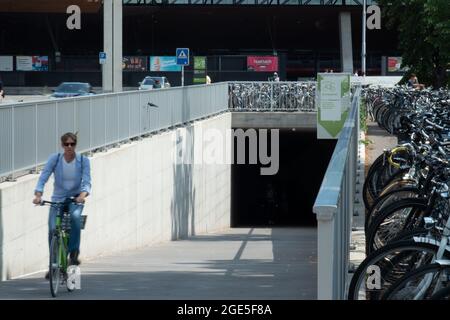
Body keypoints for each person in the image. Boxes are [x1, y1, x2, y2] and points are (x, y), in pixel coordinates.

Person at [33, 132, 91, 279]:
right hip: (58, 199)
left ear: (76, 145)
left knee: (75, 217)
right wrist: (38, 194)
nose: (69, 147)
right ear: (62, 145)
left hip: (74, 199)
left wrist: (82, 195)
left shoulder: (83, 161)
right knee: (53, 229)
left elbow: (87, 181)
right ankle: (53, 266)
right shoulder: (55, 159)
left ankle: (73, 254)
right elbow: (44, 176)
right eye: (66, 144)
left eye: (72, 144)